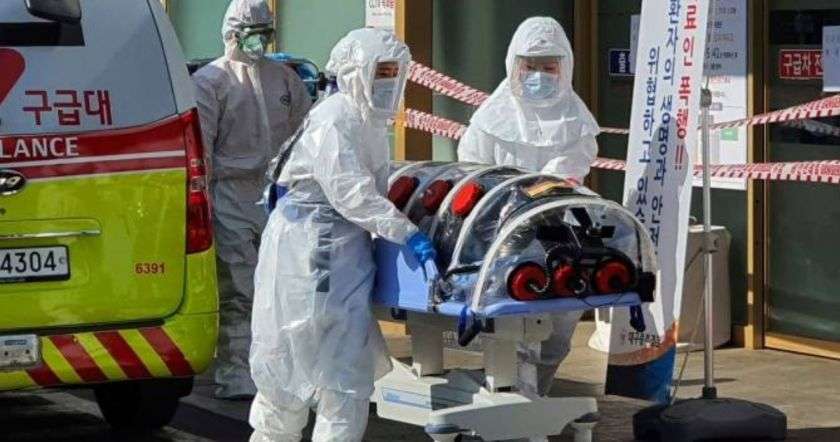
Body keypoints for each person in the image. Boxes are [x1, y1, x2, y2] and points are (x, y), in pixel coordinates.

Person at [248, 28, 436, 441]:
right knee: (295, 372)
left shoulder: (364, 120)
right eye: (381, 72)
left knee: (343, 378)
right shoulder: (335, 119)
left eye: (395, 73)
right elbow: (352, 194)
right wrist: (409, 235)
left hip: (338, 253)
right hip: (311, 254)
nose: (388, 82)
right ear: (354, 72)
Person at [457, 15, 601, 430]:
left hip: (561, 232)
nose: (538, 75)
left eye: (548, 66)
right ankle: (517, 417)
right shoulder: (490, 119)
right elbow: (473, 171)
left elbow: (568, 170)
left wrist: (543, 191)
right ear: (514, 65)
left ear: (565, 67)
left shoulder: (577, 120)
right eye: (530, 66)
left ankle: (534, 403)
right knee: (513, 330)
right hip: (503, 236)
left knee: (557, 332)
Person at [192, 0, 312, 400]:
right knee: (240, 288)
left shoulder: (284, 79)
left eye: (265, 34)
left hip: (277, 193)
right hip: (230, 194)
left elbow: (304, 137)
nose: (259, 43)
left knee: (283, 286)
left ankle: (279, 371)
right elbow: (201, 148)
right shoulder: (211, 81)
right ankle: (237, 374)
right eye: (252, 35)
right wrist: (204, 202)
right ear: (233, 35)